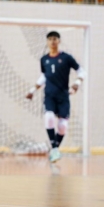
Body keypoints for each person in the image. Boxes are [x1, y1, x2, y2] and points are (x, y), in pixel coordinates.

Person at [26, 31, 86, 162]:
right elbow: (44, 76)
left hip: (63, 96)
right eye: (50, 39)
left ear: (59, 41)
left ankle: (55, 149)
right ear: (47, 42)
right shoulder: (44, 59)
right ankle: (54, 148)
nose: (52, 41)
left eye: (55, 39)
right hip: (50, 95)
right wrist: (32, 90)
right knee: (48, 117)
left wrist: (76, 83)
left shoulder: (66, 58)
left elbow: (81, 71)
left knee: (63, 126)